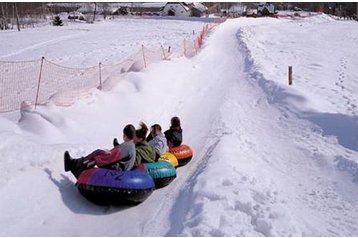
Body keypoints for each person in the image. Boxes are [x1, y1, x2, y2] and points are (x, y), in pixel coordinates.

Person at [64, 124, 136, 178]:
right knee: (100, 153)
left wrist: (96, 160)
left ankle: (75, 164)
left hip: (117, 170)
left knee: (98, 152)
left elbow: (113, 155)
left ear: (125, 135)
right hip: (121, 169)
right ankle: (79, 165)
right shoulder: (131, 145)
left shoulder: (127, 145)